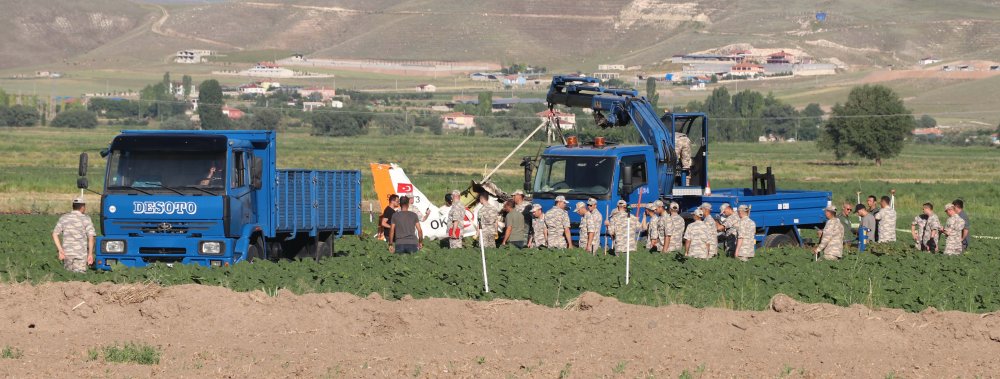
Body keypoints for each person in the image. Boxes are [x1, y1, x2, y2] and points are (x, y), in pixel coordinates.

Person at [52, 197, 96, 273]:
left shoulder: (64, 218)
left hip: (67, 254)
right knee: (79, 278)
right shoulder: (86, 219)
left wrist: (60, 250)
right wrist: (90, 254)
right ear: (82, 207)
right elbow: (91, 237)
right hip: (81, 255)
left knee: (68, 277)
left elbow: (54, 234)